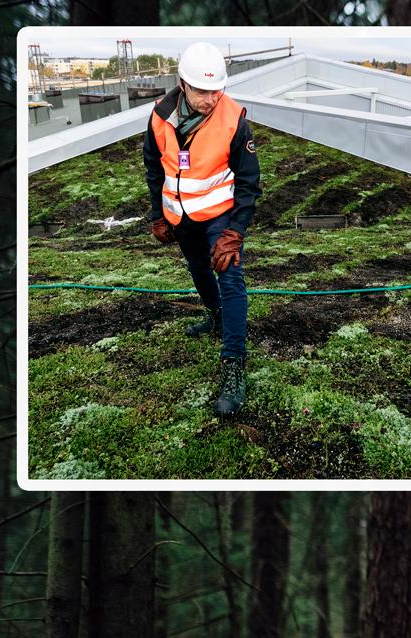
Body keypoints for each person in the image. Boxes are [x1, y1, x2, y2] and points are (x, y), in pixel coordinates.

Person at [143, 41, 261, 417]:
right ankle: (215, 315)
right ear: (182, 84)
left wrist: (235, 232)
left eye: (217, 90)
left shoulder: (234, 120)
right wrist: (157, 215)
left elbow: (248, 181)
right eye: (202, 91)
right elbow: (154, 167)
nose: (211, 99)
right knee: (197, 270)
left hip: (219, 216)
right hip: (182, 217)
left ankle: (234, 366)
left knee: (230, 276)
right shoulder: (160, 117)